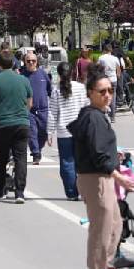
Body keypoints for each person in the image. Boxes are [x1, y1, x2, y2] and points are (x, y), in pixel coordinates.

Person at [68, 67, 134, 269]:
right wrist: (120, 178)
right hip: (96, 179)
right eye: (102, 91)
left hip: (102, 177)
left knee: (115, 225)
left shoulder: (98, 115)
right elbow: (98, 155)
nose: (108, 94)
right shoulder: (93, 117)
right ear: (90, 93)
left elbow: (100, 150)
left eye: (110, 90)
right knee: (101, 229)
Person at [0, 49, 32, 202]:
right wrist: (22, 115)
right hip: (21, 124)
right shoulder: (24, 80)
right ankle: (19, 193)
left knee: (0, 158)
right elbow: (30, 103)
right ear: (14, 63)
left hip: (1, 125)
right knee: (20, 159)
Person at [47, 62, 88, 200]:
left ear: (58, 74)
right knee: (82, 161)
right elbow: (87, 107)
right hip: (80, 131)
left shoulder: (56, 90)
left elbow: (53, 113)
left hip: (64, 132)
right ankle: (85, 190)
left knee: (67, 163)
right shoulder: (81, 88)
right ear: (72, 73)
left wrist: (50, 132)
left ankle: (72, 192)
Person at [21, 52, 51, 165]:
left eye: (33, 61)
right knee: (31, 133)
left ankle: (38, 148)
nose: (31, 63)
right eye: (28, 61)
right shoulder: (22, 77)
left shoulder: (43, 74)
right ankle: (35, 154)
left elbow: (49, 89)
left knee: (43, 133)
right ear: (25, 62)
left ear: (36, 62)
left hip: (43, 109)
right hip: (29, 111)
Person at [97, 43, 122, 122]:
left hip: (104, 79)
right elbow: (118, 70)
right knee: (113, 98)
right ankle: (113, 117)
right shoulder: (115, 58)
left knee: (103, 96)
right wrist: (117, 77)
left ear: (104, 50)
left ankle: (104, 114)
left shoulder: (101, 58)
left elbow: (97, 68)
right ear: (111, 50)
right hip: (113, 80)